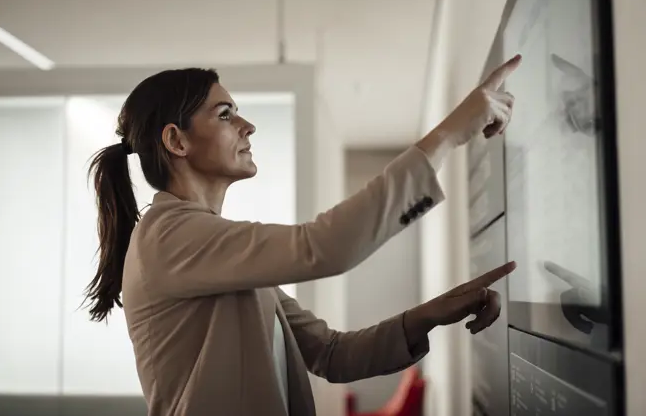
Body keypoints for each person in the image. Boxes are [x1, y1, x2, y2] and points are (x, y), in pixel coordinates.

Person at [84, 54, 522, 416]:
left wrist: (431, 313)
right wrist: (450, 132)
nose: (247, 126)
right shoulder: (170, 236)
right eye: (225, 114)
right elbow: (324, 248)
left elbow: (331, 353)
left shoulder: (213, 250)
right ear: (177, 141)